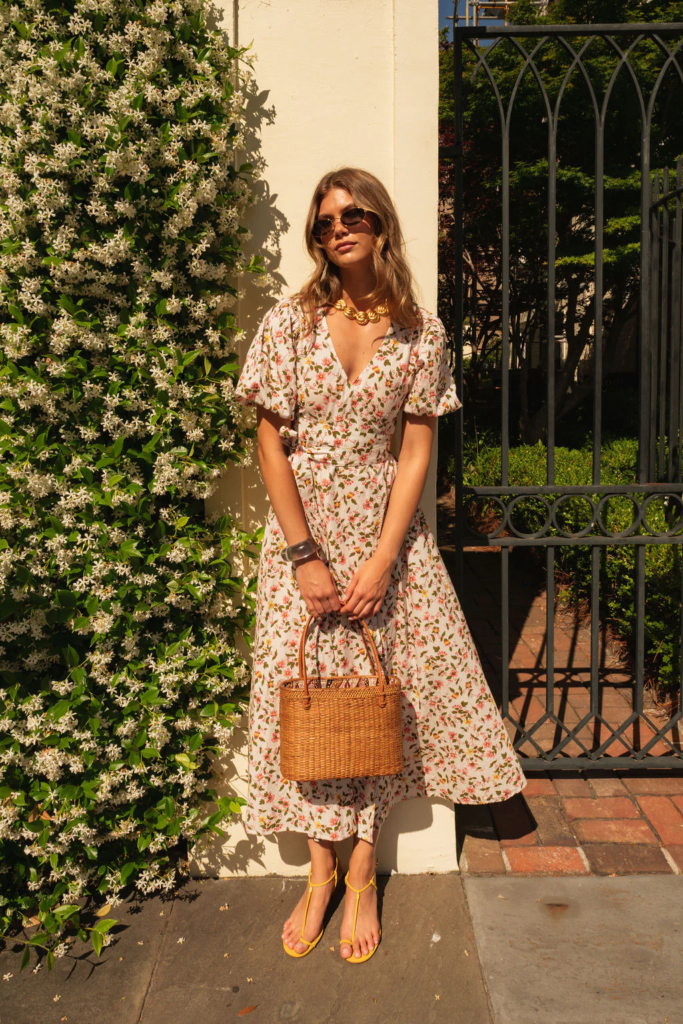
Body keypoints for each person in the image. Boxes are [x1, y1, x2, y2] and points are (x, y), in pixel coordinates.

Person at [234, 167, 525, 964]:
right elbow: (268, 438)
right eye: (327, 219)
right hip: (304, 538)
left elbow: (416, 448)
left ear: (382, 225)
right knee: (309, 703)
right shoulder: (288, 324)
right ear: (316, 236)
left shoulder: (419, 333)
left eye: (356, 213)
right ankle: (318, 872)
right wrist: (304, 556)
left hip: (386, 537)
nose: (341, 227)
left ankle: (362, 870)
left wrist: (383, 560)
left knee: (382, 700)